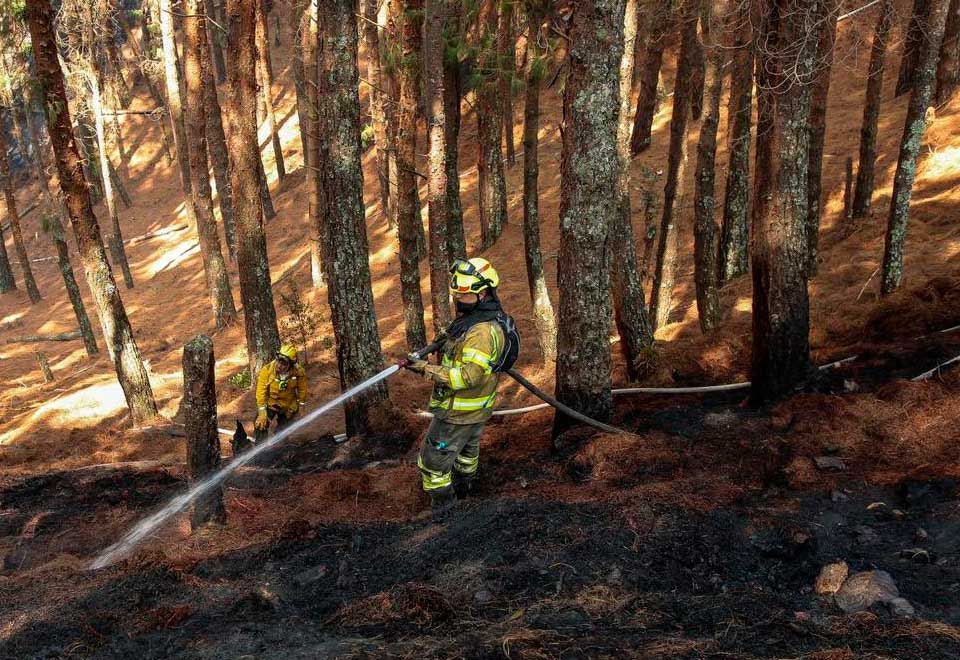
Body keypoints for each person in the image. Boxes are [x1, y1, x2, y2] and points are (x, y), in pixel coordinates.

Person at [405, 257, 505, 517]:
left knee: (432, 465)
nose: (458, 299)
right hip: (473, 411)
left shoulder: (481, 332)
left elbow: (468, 377)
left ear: (483, 293)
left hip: (457, 414)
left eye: (465, 294)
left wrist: (425, 369)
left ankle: (445, 511)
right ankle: (466, 493)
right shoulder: (476, 320)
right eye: (456, 294)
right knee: (466, 455)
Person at [254, 344, 308, 443]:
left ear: (290, 365)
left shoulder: (299, 372)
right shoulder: (267, 370)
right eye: (279, 361)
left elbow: (302, 390)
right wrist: (262, 413)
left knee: (283, 431)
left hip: (289, 405)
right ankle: (260, 449)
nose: (279, 366)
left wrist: (302, 407)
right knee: (260, 425)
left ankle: (281, 449)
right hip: (272, 403)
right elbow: (260, 392)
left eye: (284, 364)